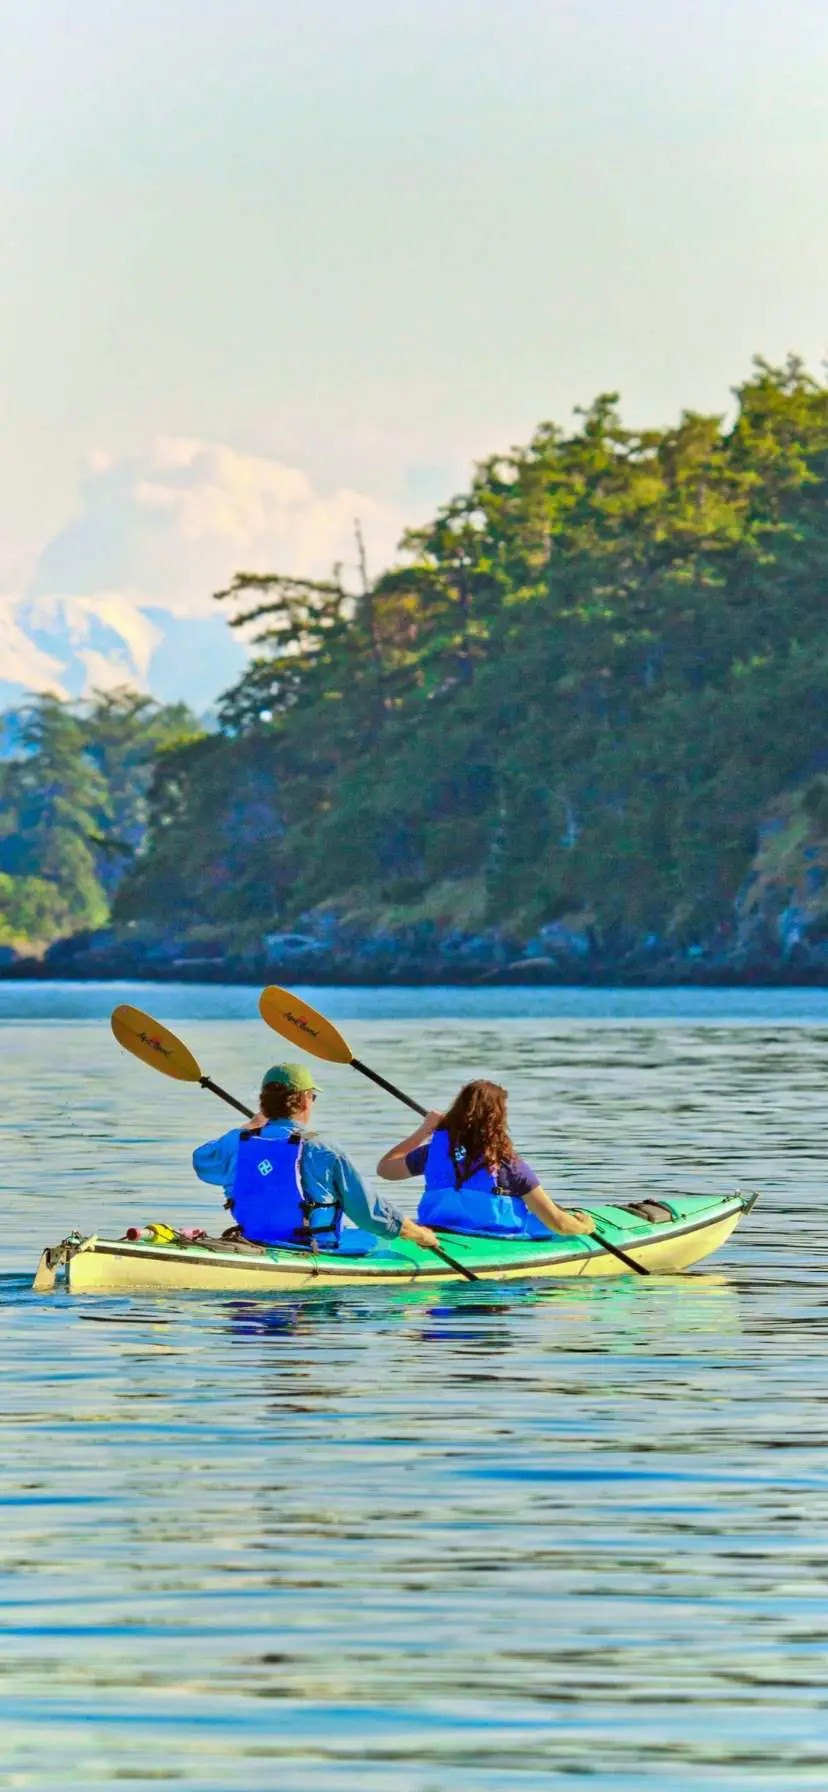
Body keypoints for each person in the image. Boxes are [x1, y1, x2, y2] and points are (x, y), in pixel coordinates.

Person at [193, 1062, 440, 1252]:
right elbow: (369, 1213)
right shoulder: (322, 1148)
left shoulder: (237, 1141)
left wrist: (253, 1124)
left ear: (264, 1103)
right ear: (302, 1099)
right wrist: (419, 1234)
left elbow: (202, 1161)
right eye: (313, 1096)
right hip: (312, 1251)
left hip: (253, 1241)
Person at [376, 1079, 597, 1239]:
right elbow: (558, 1223)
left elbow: (385, 1169)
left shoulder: (433, 1153)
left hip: (437, 1231)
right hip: (488, 1240)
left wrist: (424, 1131)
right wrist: (585, 1227)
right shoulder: (509, 1166)